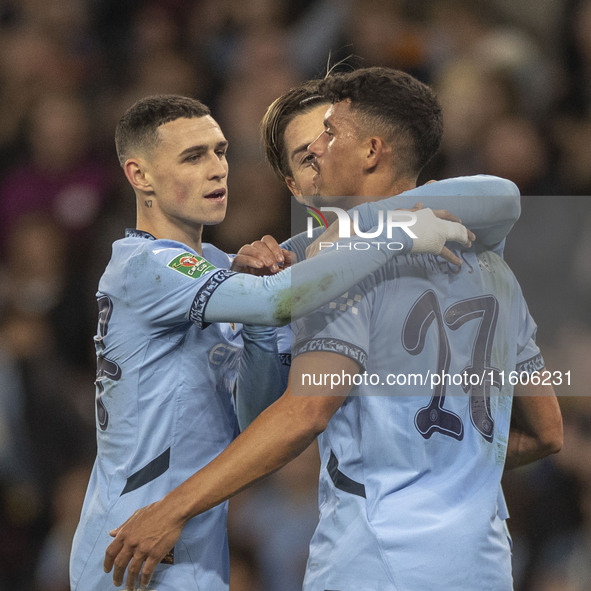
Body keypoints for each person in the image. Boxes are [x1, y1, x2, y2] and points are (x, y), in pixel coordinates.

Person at [103, 70, 562, 590]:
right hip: (483, 558)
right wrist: (448, 475)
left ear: (369, 151)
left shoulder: (342, 269)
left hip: (378, 554)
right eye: (306, 151)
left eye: (328, 134)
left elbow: (304, 412)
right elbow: (546, 433)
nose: (319, 151)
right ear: (294, 187)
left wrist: (172, 509)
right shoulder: (494, 267)